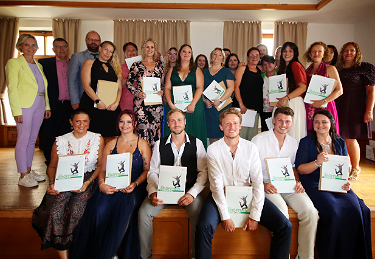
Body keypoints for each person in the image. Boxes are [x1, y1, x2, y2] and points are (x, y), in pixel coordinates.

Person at [195, 108, 292, 259]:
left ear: (240, 125)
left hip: (248, 194)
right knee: (203, 226)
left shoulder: (251, 148)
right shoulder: (213, 149)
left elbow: (258, 183)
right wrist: (225, 216)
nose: (231, 127)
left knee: (285, 226)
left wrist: (255, 216)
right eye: (227, 124)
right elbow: (216, 186)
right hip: (221, 195)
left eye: (235, 123)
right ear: (221, 127)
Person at [68, 109, 151, 259]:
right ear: (117, 124)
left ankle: (110, 252)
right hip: (110, 185)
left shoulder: (143, 144)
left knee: (126, 207)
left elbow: (147, 170)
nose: (124, 125)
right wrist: (101, 184)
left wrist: (135, 184)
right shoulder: (111, 144)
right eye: (121, 121)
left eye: (128, 121)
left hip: (133, 188)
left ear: (135, 124)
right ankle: (95, 250)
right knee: (97, 209)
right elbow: (103, 169)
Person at [295, 110, 372, 259]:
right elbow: (301, 169)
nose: (320, 125)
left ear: (331, 124)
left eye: (324, 122)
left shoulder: (339, 142)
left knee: (356, 209)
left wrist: (346, 181)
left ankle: (352, 255)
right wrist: (317, 162)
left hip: (336, 183)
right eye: (316, 122)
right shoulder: (306, 142)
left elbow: (344, 168)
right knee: (334, 212)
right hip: (313, 182)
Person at [32, 108, 104, 259]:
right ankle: (64, 256)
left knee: (75, 209)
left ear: (89, 123)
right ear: (71, 122)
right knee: (54, 211)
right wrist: (51, 183)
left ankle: (79, 252)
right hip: (63, 178)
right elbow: (51, 166)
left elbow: (100, 166)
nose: (81, 124)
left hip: (88, 178)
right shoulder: (61, 140)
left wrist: (88, 182)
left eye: (85, 121)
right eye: (77, 121)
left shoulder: (97, 139)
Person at [138, 108, 207, 259]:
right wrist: (153, 192)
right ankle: (145, 257)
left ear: (185, 122)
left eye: (179, 120)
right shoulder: (158, 144)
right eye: (173, 121)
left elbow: (203, 172)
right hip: (164, 190)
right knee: (144, 214)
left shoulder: (198, 143)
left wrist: (192, 194)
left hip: (188, 191)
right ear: (168, 124)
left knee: (199, 211)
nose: (177, 124)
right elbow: (153, 172)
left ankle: (195, 256)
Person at [252, 107, 319, 259]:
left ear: (292, 123)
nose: (283, 124)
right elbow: (250, 168)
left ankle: (305, 256)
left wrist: (297, 181)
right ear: (273, 120)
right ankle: (284, 255)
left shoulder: (293, 142)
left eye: (287, 121)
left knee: (311, 212)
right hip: (266, 184)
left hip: (288, 183)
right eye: (280, 120)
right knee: (282, 213)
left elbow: (294, 167)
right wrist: (263, 184)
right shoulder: (259, 140)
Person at [5, 33, 51, 187]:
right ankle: (22, 175)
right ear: (20, 46)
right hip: (25, 105)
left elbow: (44, 88)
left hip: (39, 102)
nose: (31, 48)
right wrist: (16, 111)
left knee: (32, 140)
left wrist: (47, 106)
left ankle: (29, 170)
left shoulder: (38, 65)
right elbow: (12, 89)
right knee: (23, 140)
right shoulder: (14, 63)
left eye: (33, 45)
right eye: (27, 45)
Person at [335, 42, 375, 180]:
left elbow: (371, 91)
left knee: (350, 138)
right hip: (339, 105)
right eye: (346, 50)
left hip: (356, 107)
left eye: (352, 50)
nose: (348, 53)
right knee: (340, 137)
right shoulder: (337, 69)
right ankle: (346, 167)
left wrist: (369, 110)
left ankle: (356, 167)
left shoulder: (365, 68)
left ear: (357, 52)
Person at [38, 38, 73, 166]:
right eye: (58, 46)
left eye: (64, 46)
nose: (61, 49)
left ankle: (64, 164)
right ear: (53, 49)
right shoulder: (44, 63)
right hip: (51, 106)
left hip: (70, 106)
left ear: (68, 48)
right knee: (49, 136)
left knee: (67, 136)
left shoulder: (74, 63)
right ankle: (50, 163)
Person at [164, 44, 207, 147]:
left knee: (195, 132)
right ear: (180, 54)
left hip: (194, 106)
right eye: (184, 51)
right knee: (175, 130)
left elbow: (200, 87)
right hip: (175, 105)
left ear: (191, 55)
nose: (186, 54)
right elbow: (167, 88)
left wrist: (193, 104)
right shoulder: (172, 70)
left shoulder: (196, 70)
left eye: (189, 52)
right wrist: (171, 104)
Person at [79, 41, 122, 138]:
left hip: (111, 108)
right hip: (92, 105)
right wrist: (97, 100)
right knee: (92, 136)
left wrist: (116, 103)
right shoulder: (89, 63)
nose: (108, 53)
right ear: (100, 49)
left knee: (112, 136)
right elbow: (86, 85)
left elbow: (119, 88)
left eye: (110, 51)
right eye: (106, 49)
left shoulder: (115, 67)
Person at [126, 38, 164, 148]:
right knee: (142, 133)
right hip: (141, 105)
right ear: (143, 48)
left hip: (156, 105)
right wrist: (137, 93)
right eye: (147, 46)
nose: (149, 49)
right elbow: (129, 83)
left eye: (152, 47)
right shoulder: (136, 65)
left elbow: (162, 85)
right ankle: (142, 161)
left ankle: (154, 162)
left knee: (156, 134)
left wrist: (161, 91)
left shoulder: (160, 67)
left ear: (155, 49)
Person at [303, 42, 343, 135]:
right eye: (313, 51)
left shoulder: (330, 69)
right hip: (309, 107)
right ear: (310, 54)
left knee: (326, 135)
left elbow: (339, 90)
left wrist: (323, 101)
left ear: (324, 54)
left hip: (325, 106)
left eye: (319, 51)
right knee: (311, 137)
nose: (316, 54)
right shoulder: (307, 70)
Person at [202, 47, 235, 144]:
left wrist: (219, 100)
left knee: (224, 135)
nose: (217, 56)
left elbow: (231, 88)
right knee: (212, 137)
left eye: (220, 55)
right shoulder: (203, 72)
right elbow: (199, 89)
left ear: (223, 59)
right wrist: (204, 100)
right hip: (209, 109)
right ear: (211, 57)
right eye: (215, 54)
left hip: (222, 107)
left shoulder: (227, 72)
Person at [277, 42, 307, 141]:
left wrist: (285, 98)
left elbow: (302, 87)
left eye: (290, 50)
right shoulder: (282, 68)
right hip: (284, 102)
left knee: (292, 134)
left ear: (295, 53)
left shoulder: (295, 65)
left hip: (294, 102)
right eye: (285, 51)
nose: (287, 53)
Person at [233, 47, 263, 140]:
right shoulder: (242, 68)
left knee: (251, 136)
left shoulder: (260, 70)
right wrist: (241, 104)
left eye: (257, 55)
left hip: (255, 108)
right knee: (239, 135)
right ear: (247, 57)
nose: (254, 57)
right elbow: (236, 86)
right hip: (242, 108)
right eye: (252, 55)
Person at [67, 30, 101, 109]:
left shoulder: (105, 57)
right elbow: (72, 80)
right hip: (84, 99)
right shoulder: (77, 57)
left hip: (101, 99)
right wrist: (75, 101)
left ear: (100, 42)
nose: (93, 42)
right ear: (86, 41)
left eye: (96, 40)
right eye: (90, 39)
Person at [119, 42, 138, 111]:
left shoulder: (142, 67)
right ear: (124, 54)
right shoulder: (120, 68)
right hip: (125, 101)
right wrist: (130, 76)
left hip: (140, 102)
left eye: (134, 50)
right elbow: (117, 86)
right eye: (129, 50)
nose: (132, 52)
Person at [260, 55, 277, 130]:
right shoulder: (260, 77)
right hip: (264, 109)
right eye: (264, 64)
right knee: (265, 130)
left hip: (277, 107)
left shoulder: (280, 76)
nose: (267, 65)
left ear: (274, 64)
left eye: (269, 63)